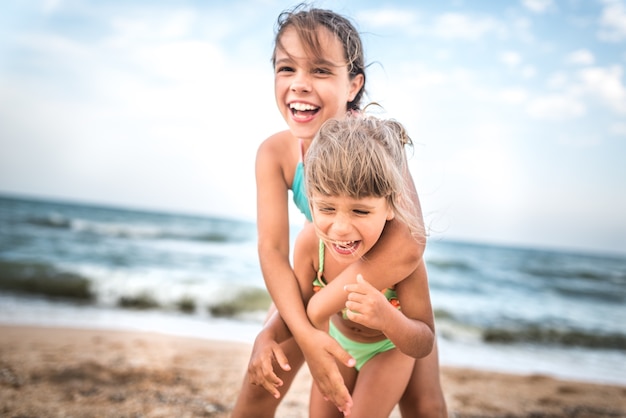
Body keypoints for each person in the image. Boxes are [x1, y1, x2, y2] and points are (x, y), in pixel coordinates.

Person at [231, 4, 447, 417]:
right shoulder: (276, 153)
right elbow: (273, 250)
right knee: (262, 378)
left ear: (353, 84)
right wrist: (303, 332)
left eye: (320, 71)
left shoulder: (374, 146)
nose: (300, 84)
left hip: (383, 285)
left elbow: (409, 243)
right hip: (321, 268)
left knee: (423, 403)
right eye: (286, 69)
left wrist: (321, 307)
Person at [297, 115, 436, 417]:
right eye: (326, 208)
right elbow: (295, 308)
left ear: (391, 206)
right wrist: (269, 336)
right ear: (311, 199)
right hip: (339, 344)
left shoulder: (404, 264)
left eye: (360, 211)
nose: (341, 228)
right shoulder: (311, 246)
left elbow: (424, 341)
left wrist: (388, 318)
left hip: (388, 351)